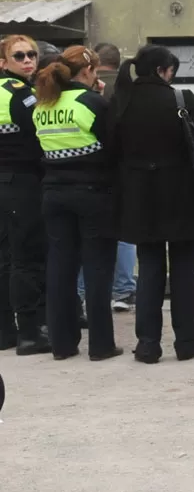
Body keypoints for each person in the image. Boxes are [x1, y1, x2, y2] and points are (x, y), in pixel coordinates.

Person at [110, 45, 194, 364]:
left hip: (139, 196)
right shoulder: (182, 100)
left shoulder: (120, 102)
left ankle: (148, 343)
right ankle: (186, 342)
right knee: (184, 270)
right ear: (165, 70)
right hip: (180, 195)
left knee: (149, 269)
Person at [35, 46, 120, 361]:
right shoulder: (92, 102)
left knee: (59, 269)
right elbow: (112, 147)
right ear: (88, 71)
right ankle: (100, 345)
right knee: (97, 270)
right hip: (92, 193)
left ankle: (62, 344)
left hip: (53, 193)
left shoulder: (43, 104)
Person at [0, 35, 50, 355]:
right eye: (19, 56)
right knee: (27, 258)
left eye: (32, 54)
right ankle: (31, 332)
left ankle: (5, 332)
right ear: (3, 63)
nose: (28, 60)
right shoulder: (24, 95)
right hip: (22, 183)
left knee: (3, 259)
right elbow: (39, 141)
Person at [91, 43, 137, 313]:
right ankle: (123, 289)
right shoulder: (126, 87)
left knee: (91, 234)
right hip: (123, 168)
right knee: (124, 232)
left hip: (92, 168)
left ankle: (88, 292)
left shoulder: (89, 88)